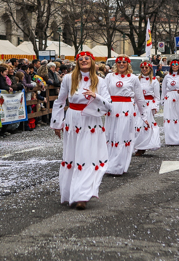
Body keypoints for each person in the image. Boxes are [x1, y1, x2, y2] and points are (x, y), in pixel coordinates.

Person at [50, 51, 111, 210]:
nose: (84, 61)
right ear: (77, 62)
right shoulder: (69, 79)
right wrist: (57, 123)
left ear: (92, 62)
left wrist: (95, 96)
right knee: (72, 155)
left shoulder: (100, 81)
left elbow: (108, 104)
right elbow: (60, 101)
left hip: (91, 121)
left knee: (87, 156)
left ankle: (82, 195)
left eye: (87, 59)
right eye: (81, 59)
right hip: (73, 120)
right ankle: (71, 193)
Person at [103, 55, 148, 175]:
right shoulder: (109, 76)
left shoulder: (133, 78)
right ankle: (109, 163)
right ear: (116, 64)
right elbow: (104, 93)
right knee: (110, 136)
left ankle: (119, 165)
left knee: (122, 136)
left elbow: (139, 98)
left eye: (124, 62)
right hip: (112, 109)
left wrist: (144, 116)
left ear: (128, 64)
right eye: (119, 62)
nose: (121, 64)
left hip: (126, 109)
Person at [133, 61, 161, 156]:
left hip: (148, 106)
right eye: (143, 67)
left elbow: (157, 97)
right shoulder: (136, 79)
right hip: (137, 105)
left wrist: (155, 107)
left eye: (146, 67)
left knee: (144, 125)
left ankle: (142, 147)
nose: (144, 69)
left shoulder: (154, 81)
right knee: (135, 124)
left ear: (150, 69)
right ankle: (136, 145)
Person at [162, 59, 179, 145]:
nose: (174, 66)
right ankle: (170, 139)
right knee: (169, 117)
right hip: (169, 97)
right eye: (173, 64)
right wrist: (162, 99)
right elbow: (163, 89)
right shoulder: (167, 76)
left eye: (176, 64)